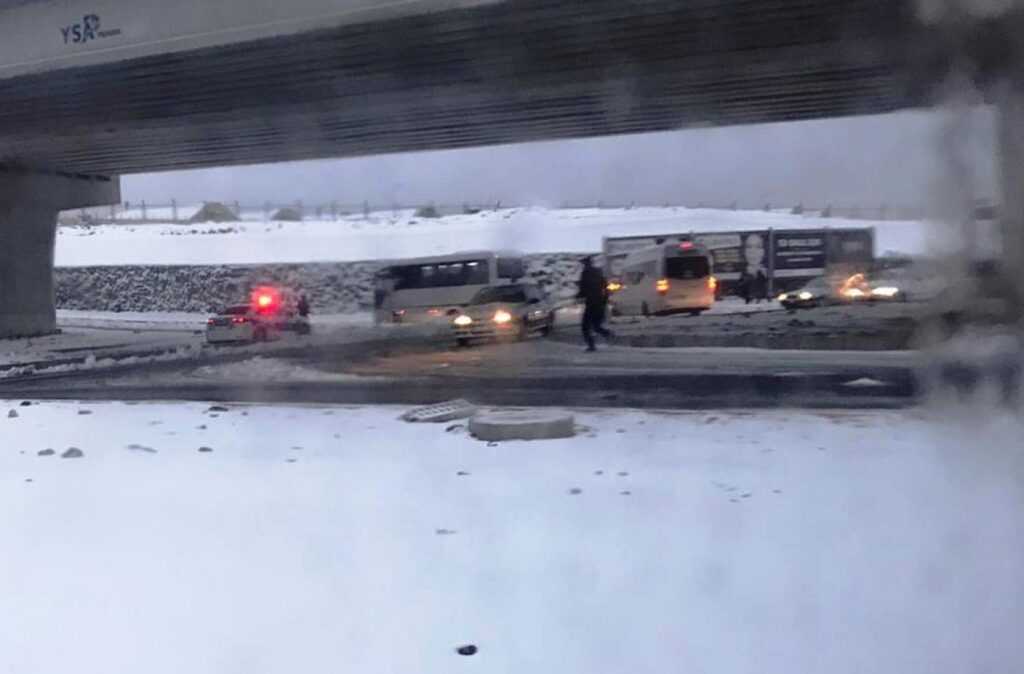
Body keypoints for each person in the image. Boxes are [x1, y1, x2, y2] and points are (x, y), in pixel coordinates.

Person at [576, 256, 613, 352]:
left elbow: (583, 289)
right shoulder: (598, 272)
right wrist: (605, 299)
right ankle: (607, 334)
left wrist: (578, 296)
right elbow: (606, 287)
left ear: (585, 264)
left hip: (591, 303)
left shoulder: (585, 273)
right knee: (596, 325)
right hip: (600, 302)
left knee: (585, 327)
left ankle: (591, 345)